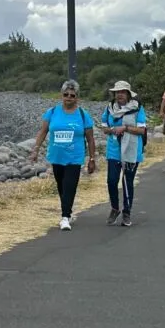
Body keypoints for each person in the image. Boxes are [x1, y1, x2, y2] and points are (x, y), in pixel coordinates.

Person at [28, 79, 96, 230]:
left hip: (74, 157)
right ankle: (68, 211)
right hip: (57, 157)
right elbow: (43, 132)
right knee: (61, 187)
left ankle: (65, 217)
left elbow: (90, 139)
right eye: (66, 94)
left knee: (69, 185)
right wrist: (35, 150)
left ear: (77, 97)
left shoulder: (83, 115)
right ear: (61, 95)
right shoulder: (52, 112)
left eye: (72, 95)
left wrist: (92, 159)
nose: (69, 98)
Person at [101, 80, 147, 227]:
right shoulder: (109, 108)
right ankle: (115, 208)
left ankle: (127, 212)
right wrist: (113, 130)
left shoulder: (137, 108)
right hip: (114, 149)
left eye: (122, 92)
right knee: (111, 180)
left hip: (131, 150)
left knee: (127, 182)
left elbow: (141, 130)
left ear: (128, 94)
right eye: (117, 92)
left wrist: (125, 128)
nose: (119, 95)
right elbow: (104, 128)